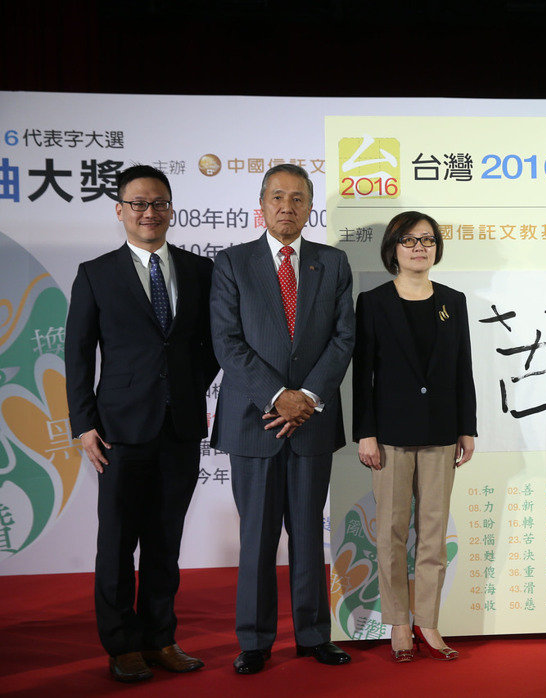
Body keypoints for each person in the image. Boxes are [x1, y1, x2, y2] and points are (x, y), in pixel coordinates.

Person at [65, 165, 218, 682]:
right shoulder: (96, 273)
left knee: (165, 542)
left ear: (171, 209)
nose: (149, 212)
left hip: (180, 427)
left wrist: (187, 387)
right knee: (117, 543)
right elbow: (78, 353)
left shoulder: (200, 270)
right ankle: (122, 645)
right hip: (118, 430)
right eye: (138, 204)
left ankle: (160, 639)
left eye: (158, 203)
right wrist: (84, 422)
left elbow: (212, 345)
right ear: (120, 210)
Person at [210, 163, 355, 674]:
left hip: (311, 420)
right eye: (277, 197)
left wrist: (306, 398)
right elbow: (226, 341)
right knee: (257, 537)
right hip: (254, 421)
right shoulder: (232, 262)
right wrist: (277, 397)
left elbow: (343, 337)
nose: (287, 207)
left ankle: (313, 635)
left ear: (310, 206)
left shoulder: (332, 262)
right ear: (262, 204)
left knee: (309, 535)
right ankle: (254, 640)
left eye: (297, 198)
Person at [353, 211, 477, 662]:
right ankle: (399, 624)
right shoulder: (373, 302)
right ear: (393, 249)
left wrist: (467, 426)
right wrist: (365, 433)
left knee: (433, 533)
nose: (419, 247)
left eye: (427, 239)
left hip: (442, 431)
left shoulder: (453, 301)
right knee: (390, 533)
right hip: (389, 434)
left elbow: (462, 367)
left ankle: (428, 620)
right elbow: (362, 375)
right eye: (408, 240)